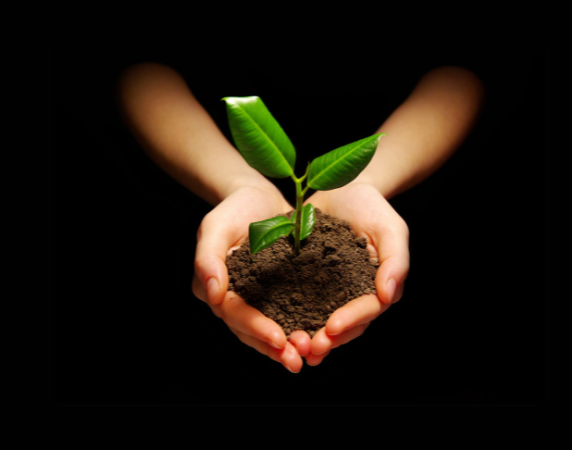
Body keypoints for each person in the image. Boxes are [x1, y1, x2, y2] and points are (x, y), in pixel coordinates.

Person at [117, 63, 484, 373]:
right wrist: (238, 184)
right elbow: (138, 70)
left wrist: (368, 180)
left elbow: (463, 73)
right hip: (181, 188)